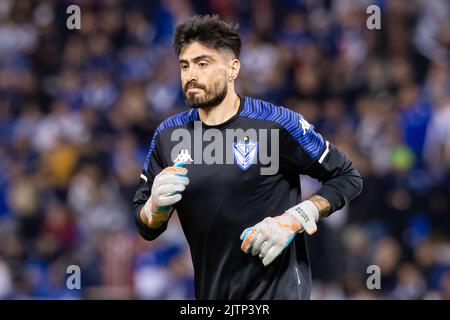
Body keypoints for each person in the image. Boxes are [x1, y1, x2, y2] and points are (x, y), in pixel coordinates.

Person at [133, 14, 363, 300]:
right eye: (184, 65)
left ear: (233, 69)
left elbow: (347, 176)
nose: (190, 74)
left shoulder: (276, 123)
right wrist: (154, 208)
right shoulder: (169, 135)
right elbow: (145, 225)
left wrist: (295, 218)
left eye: (203, 64)